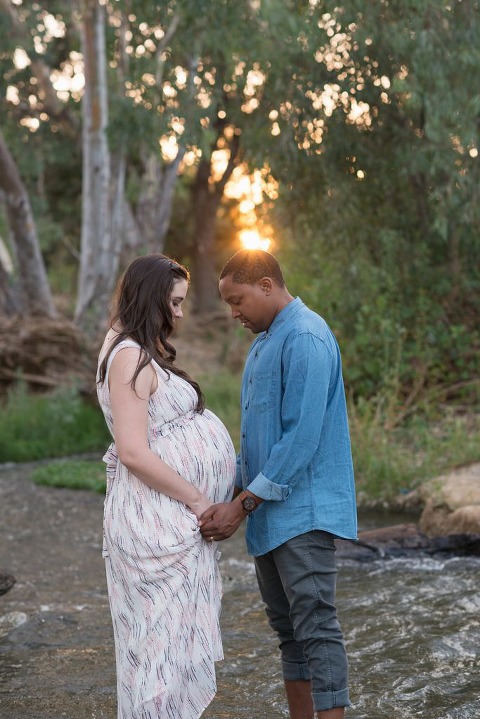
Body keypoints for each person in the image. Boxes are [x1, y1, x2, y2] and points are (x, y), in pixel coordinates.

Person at [199, 249, 357, 719]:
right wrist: (218, 493)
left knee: (317, 630)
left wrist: (240, 505)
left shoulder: (306, 336)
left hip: (303, 516)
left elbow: (301, 439)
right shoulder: (265, 342)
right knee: (289, 634)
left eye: (238, 300)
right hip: (268, 517)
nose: (234, 313)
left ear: (266, 285)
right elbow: (257, 444)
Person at [96, 254, 236, 719]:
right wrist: (198, 498)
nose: (179, 313)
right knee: (157, 657)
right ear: (151, 298)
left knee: (166, 653)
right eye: (174, 302)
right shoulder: (128, 355)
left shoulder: (134, 347)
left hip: (166, 520)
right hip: (155, 525)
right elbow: (133, 451)